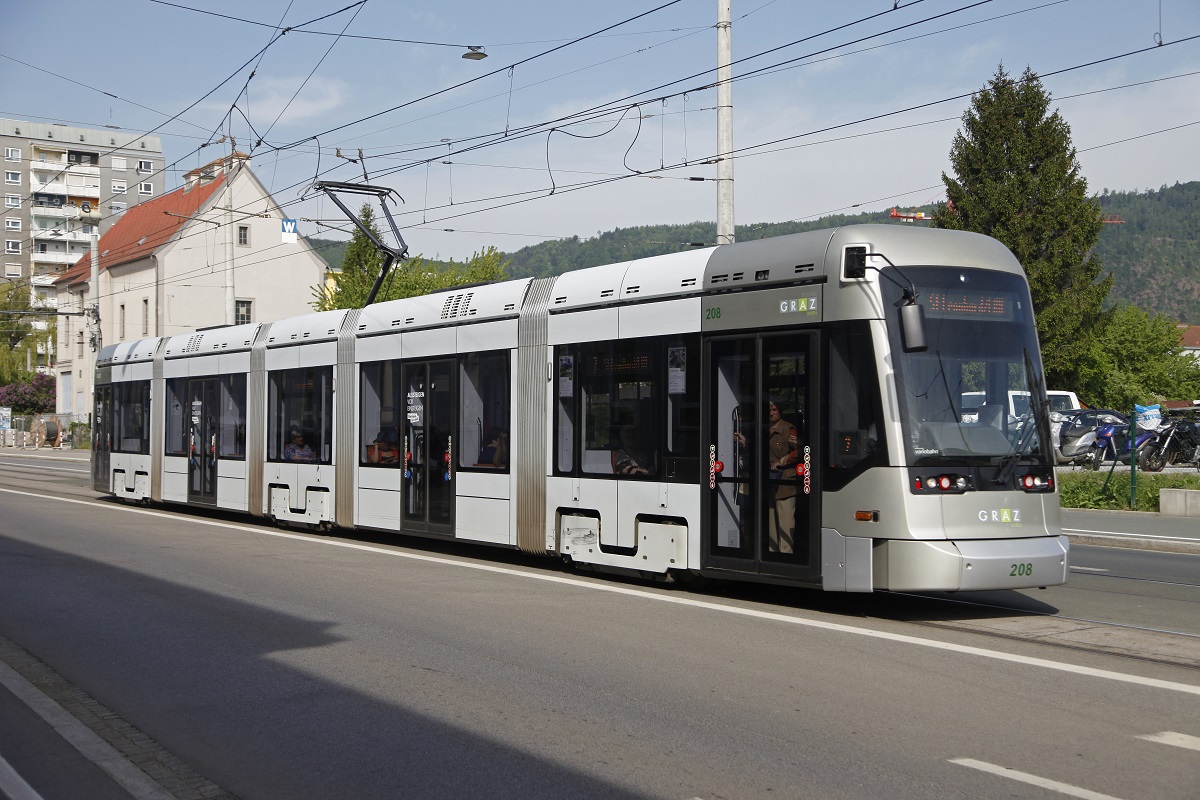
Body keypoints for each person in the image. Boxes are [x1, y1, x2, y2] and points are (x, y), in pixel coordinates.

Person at [766, 401, 799, 554]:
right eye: (769, 410)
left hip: (785, 481)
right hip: (770, 481)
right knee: (771, 521)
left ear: (780, 411)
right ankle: (773, 554)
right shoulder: (764, 428)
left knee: (785, 521)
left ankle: (786, 554)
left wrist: (781, 462)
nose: (771, 413)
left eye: (775, 409)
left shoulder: (788, 428)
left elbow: (799, 451)